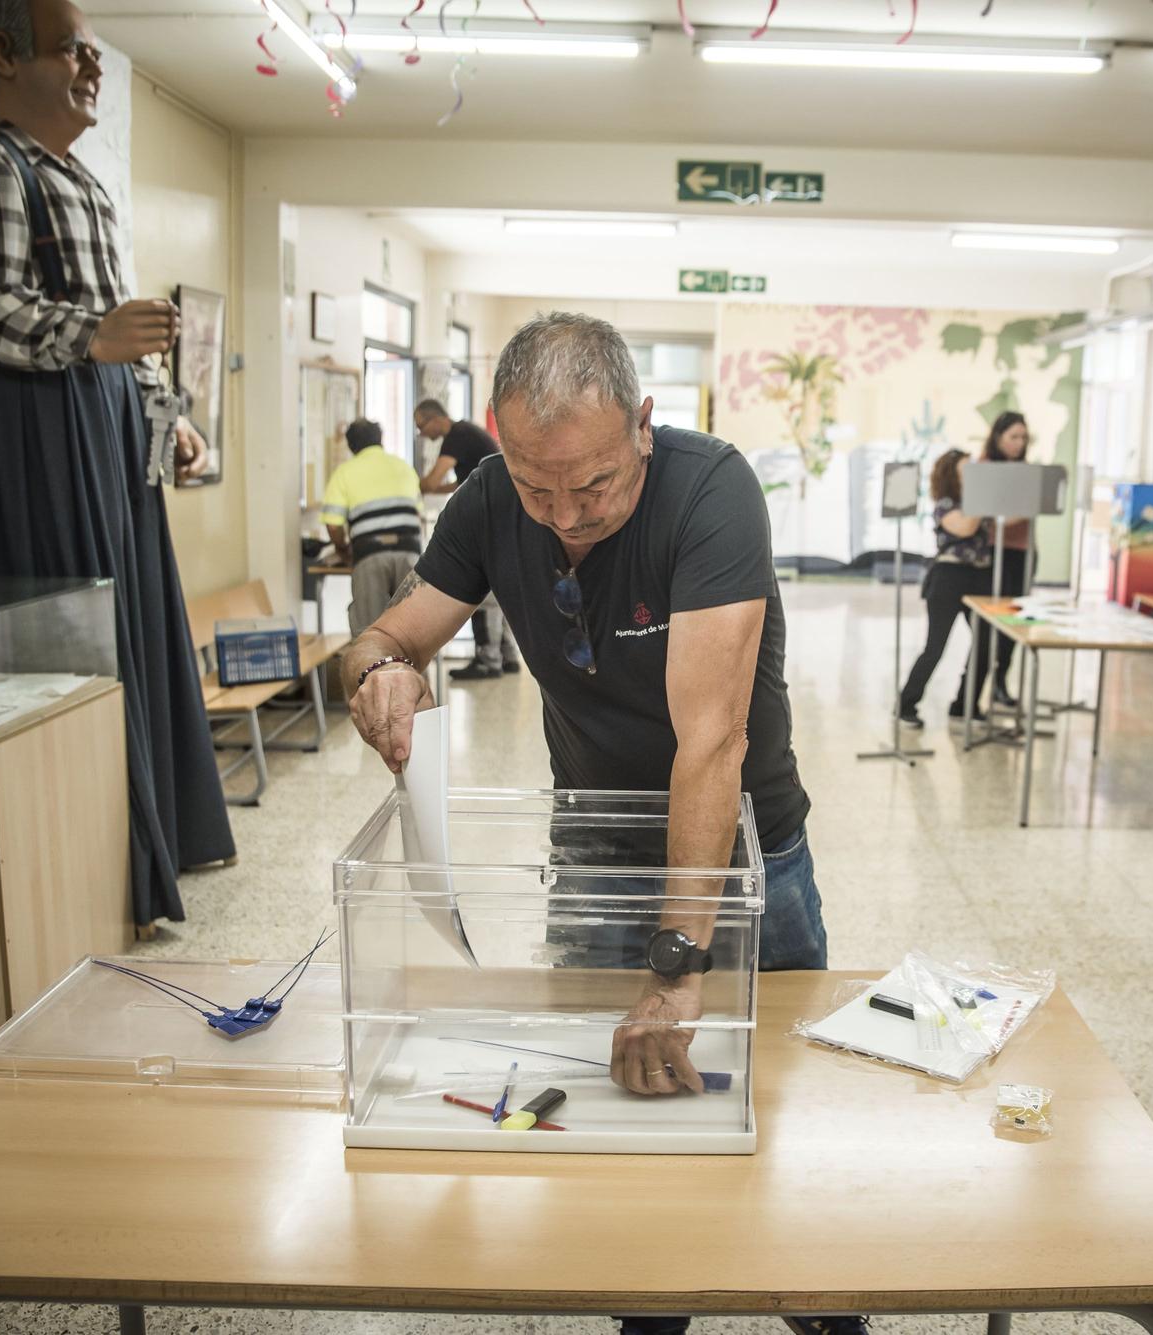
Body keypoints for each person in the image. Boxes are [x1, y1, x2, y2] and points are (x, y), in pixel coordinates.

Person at [345, 314, 862, 1335]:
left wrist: (677, 969)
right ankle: (646, 1304)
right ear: (500, 442)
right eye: (538, 488)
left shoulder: (710, 492)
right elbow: (385, 633)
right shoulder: (493, 499)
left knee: (768, 1103)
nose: (566, 515)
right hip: (593, 845)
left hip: (745, 851)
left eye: (593, 485)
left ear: (643, 426)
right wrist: (377, 675)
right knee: (610, 1107)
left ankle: (814, 1299)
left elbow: (707, 744)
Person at [0, 0, 232, 931]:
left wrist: (163, 416)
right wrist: (91, 336)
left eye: (94, 51)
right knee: (84, 632)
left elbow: (118, 342)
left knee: (139, 618)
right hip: (38, 429)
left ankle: (154, 837)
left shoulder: (90, 188)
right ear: (0, 55)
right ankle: (98, 854)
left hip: (103, 423)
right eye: (71, 50)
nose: (91, 68)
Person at [413, 397, 519, 680]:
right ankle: (507, 654)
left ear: (435, 418)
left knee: (482, 590)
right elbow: (461, 483)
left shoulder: (455, 437)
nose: (422, 434)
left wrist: (420, 486)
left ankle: (488, 659)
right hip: (503, 513)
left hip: (492, 517)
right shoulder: (467, 432)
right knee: (497, 588)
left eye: (421, 426)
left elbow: (432, 481)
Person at [896, 448, 996, 728]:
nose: (972, 475)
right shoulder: (946, 505)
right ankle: (906, 705)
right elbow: (964, 528)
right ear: (953, 475)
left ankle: (965, 705)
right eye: (967, 470)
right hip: (948, 578)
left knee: (986, 645)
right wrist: (981, 497)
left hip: (979, 577)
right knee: (935, 646)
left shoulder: (977, 502)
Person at [322, 417, 424, 635]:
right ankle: (414, 669)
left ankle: (374, 668)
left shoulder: (345, 472)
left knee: (370, 627)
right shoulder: (404, 467)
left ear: (351, 445)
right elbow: (418, 513)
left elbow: (332, 524)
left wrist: (342, 548)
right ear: (380, 440)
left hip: (370, 552)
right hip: (409, 550)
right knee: (412, 624)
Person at [979, 411, 1033, 708]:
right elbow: (985, 514)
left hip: (1022, 552)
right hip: (992, 551)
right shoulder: (984, 468)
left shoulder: (1027, 471)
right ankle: (979, 685)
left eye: (1023, 437)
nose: (1019, 443)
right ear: (998, 436)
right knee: (992, 620)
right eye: (1013, 436)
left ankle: (1001, 681)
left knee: (1016, 618)